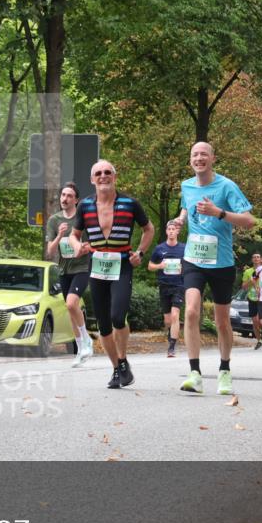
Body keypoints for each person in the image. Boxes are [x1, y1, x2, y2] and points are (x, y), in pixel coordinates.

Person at [171, 142, 255, 395]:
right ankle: (194, 373)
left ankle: (224, 370)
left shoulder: (227, 186)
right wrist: (181, 219)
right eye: (195, 155)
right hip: (194, 259)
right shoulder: (186, 186)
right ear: (190, 160)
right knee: (192, 311)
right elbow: (187, 205)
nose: (199, 158)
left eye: (203, 154)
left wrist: (219, 213)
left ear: (212, 159)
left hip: (222, 263)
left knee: (221, 322)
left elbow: (249, 221)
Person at [68, 160, 154, 389]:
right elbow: (73, 235)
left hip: (122, 264)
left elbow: (149, 229)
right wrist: (77, 246)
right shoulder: (85, 206)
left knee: (118, 316)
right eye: (98, 173)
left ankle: (122, 360)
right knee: (104, 325)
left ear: (115, 177)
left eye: (108, 172)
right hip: (97, 266)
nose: (103, 176)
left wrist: (140, 253)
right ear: (92, 179)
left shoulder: (130, 203)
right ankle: (118, 369)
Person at [46, 182, 94, 366]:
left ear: (76, 200)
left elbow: (92, 243)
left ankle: (86, 340)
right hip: (64, 269)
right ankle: (81, 349)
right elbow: (50, 252)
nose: (64, 199)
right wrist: (59, 236)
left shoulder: (82, 220)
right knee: (70, 309)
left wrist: (83, 248)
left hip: (82, 268)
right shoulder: (54, 220)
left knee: (72, 302)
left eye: (69, 196)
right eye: (63, 195)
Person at [148, 220, 186, 358]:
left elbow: (191, 264)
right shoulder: (159, 248)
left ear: (177, 232)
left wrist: (184, 269)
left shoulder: (184, 248)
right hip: (164, 285)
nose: (171, 231)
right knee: (168, 319)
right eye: (169, 229)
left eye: (173, 229)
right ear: (166, 231)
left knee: (175, 315)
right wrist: (159, 266)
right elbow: (150, 265)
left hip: (179, 285)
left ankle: (172, 346)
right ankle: (171, 333)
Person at [242, 252, 262, 347]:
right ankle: (259, 340)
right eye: (254, 257)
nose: (256, 259)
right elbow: (244, 287)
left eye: (258, 257)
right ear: (252, 260)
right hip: (252, 298)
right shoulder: (247, 272)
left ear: (261, 259)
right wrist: (250, 281)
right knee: (255, 321)